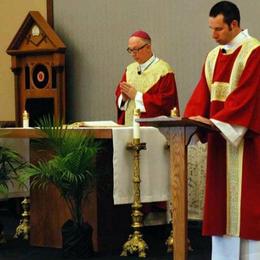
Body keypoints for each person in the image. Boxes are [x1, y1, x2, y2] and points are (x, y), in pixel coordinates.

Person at [184, 1, 260, 259]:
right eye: (211, 29)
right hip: (220, 142)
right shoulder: (213, 56)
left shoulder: (254, 52)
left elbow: (248, 97)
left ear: (234, 24)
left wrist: (215, 122)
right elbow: (202, 94)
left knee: (248, 207)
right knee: (221, 208)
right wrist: (191, 121)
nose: (213, 35)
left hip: (247, 142)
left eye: (218, 29)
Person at [115, 30, 179, 125]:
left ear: (148, 47)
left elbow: (166, 103)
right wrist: (123, 98)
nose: (133, 54)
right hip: (129, 126)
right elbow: (119, 98)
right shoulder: (130, 69)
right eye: (130, 50)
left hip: (152, 130)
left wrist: (137, 96)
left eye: (136, 50)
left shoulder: (164, 70)